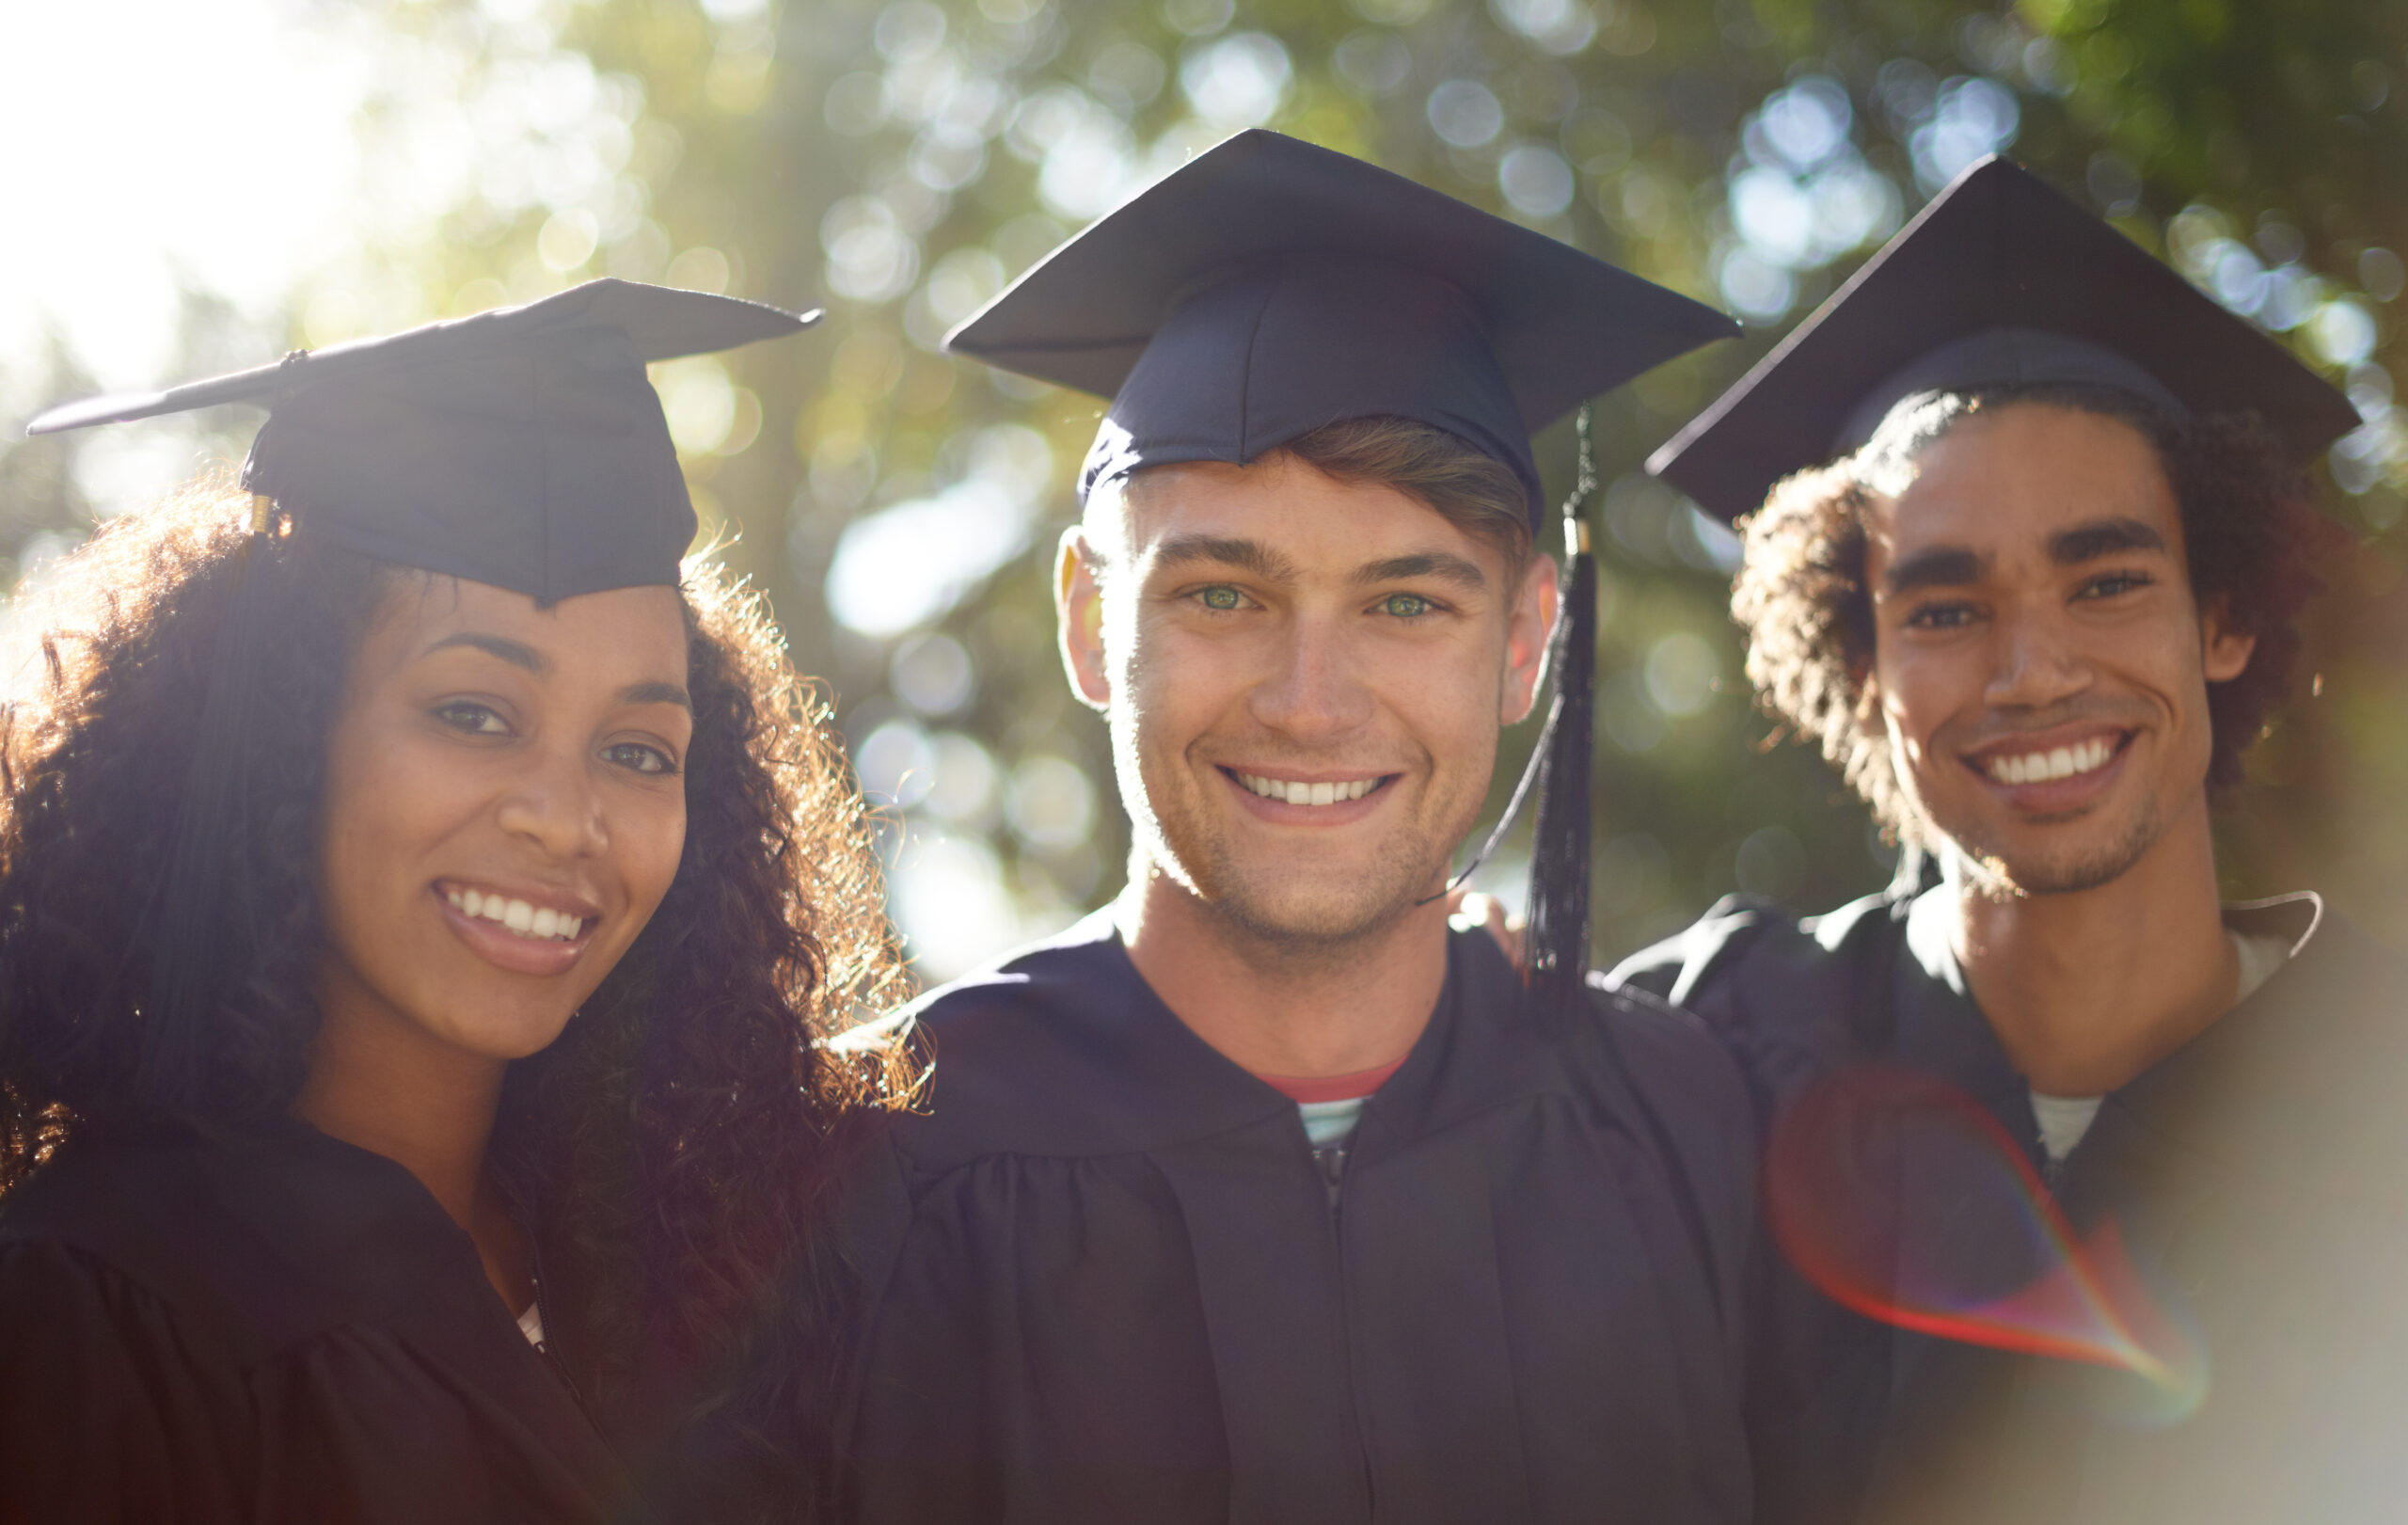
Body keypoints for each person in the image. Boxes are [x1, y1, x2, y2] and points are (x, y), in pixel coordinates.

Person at [833, 128, 1767, 1525]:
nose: (1310, 704)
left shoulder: (1683, 1127)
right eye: (1222, 594)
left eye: (1407, 604)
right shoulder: (862, 1171)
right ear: (1094, 623)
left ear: (1525, 641)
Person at [0, 280, 912, 1525]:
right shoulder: (94, 1310)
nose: (564, 815)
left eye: (639, 749)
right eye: (472, 712)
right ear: (284, 734)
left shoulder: (708, 1276)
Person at [1618, 155, 2407, 1524]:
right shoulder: (1702, 1052)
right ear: (1864, 667)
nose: (2032, 671)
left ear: (2221, 621)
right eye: (1942, 609)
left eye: (2106, 582)